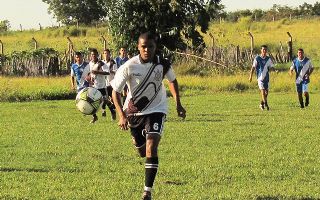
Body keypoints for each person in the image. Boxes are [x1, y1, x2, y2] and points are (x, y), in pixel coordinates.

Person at [111, 32, 186, 200]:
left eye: (150, 46)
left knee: (152, 144)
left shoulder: (163, 64)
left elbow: (172, 81)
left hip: (157, 109)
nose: (147, 50)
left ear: (155, 47)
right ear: (138, 47)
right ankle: (137, 139)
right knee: (142, 151)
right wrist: (121, 116)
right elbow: (115, 92)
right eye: (143, 46)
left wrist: (178, 104)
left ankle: (147, 192)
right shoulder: (129, 66)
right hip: (134, 113)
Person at [249, 45, 276, 110]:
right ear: (261, 50)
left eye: (265, 50)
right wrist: (250, 76)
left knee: (266, 93)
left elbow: (271, 66)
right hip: (260, 78)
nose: (264, 51)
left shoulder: (268, 59)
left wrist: (274, 70)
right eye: (263, 49)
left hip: (266, 78)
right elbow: (253, 67)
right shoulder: (257, 58)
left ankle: (262, 104)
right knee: (263, 91)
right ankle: (266, 104)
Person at [89, 48, 111, 123]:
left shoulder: (101, 63)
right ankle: (94, 117)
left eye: (95, 54)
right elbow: (90, 73)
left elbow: (108, 72)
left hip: (102, 86)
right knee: (92, 102)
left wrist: (98, 72)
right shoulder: (90, 63)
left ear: (97, 55)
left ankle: (111, 111)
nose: (93, 56)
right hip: (94, 86)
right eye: (92, 54)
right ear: (90, 55)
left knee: (105, 100)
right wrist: (89, 78)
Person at [102, 49, 117, 120]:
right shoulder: (101, 63)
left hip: (111, 84)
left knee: (114, 99)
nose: (106, 55)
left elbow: (116, 72)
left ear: (109, 55)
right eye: (105, 53)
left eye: (107, 53)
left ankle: (113, 111)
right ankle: (106, 111)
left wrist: (110, 71)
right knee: (104, 99)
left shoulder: (113, 62)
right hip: (103, 84)